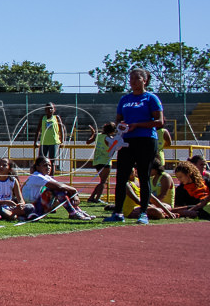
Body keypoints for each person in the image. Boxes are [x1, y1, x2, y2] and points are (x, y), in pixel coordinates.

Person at [104, 67, 164, 226]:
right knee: (121, 177)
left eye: (136, 78)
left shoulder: (151, 98)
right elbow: (118, 120)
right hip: (126, 142)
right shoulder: (124, 99)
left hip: (146, 140)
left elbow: (159, 122)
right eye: (130, 78)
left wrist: (137, 125)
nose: (133, 82)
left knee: (144, 177)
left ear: (144, 80)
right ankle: (118, 212)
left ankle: (143, 213)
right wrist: (120, 127)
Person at [21, 156, 94, 220]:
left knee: (63, 189)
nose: (48, 168)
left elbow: (61, 185)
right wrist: (74, 191)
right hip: (32, 207)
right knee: (57, 189)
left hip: (38, 205)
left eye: (50, 165)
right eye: (45, 165)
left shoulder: (45, 176)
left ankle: (77, 211)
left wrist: (74, 194)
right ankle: (73, 213)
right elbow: (59, 186)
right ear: (38, 167)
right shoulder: (37, 176)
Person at [86, 123, 115, 203]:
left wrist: (92, 134)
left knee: (101, 181)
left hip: (97, 160)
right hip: (105, 161)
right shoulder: (110, 138)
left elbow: (88, 142)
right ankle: (97, 198)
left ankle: (92, 197)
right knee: (103, 181)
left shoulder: (98, 135)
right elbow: (112, 151)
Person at [33, 103, 64, 173]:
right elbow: (38, 130)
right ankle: (41, 177)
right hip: (44, 142)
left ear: (54, 110)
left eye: (51, 108)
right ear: (45, 110)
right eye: (47, 108)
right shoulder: (43, 118)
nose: (49, 110)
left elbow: (61, 129)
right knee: (41, 161)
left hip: (54, 142)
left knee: (51, 161)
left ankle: (51, 178)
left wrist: (62, 141)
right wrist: (35, 142)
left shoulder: (56, 118)